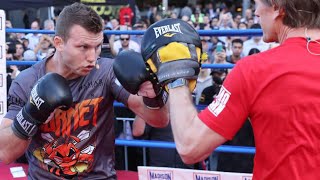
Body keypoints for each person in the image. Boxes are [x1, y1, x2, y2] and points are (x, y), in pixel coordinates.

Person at [141, 0, 320, 179]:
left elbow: (190, 145)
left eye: (256, 4)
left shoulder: (255, 70)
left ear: (276, 8)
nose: (256, 12)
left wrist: (176, 75)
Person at [0, 3, 169, 179]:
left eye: (97, 47)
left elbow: (159, 120)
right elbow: (5, 153)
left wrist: (154, 92)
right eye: (83, 47)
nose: (92, 57)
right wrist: (31, 115)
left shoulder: (106, 72)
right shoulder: (28, 81)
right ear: (59, 43)